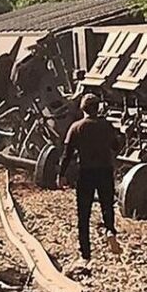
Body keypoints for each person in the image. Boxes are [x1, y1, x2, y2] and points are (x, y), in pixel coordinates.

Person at [57, 93, 122, 264]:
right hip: (105, 170)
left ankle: (85, 254)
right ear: (98, 108)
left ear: (82, 109)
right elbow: (117, 146)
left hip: (85, 172)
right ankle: (110, 231)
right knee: (107, 205)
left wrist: (61, 174)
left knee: (83, 214)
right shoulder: (106, 125)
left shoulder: (76, 127)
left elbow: (67, 154)